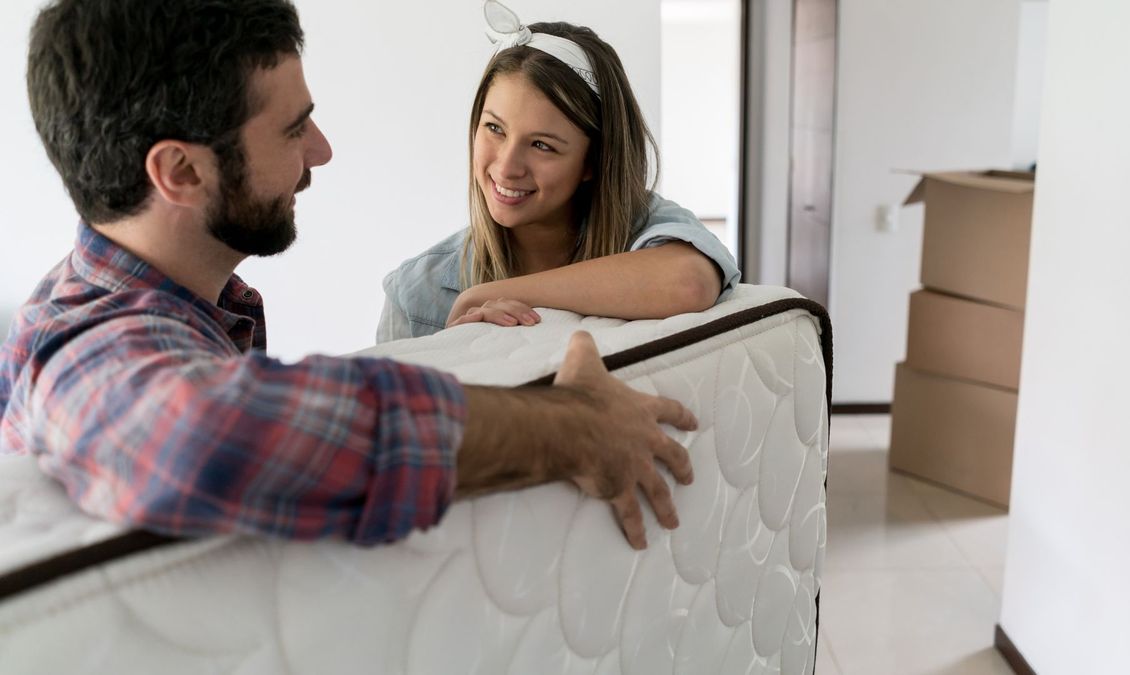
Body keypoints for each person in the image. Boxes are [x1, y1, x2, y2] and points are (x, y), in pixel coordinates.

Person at [0, 0, 696, 551]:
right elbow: (202, 438)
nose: (323, 150)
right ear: (181, 172)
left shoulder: (206, 311)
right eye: (293, 128)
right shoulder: (78, 344)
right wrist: (567, 428)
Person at [376, 0, 740, 341]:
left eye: (542, 145)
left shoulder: (648, 230)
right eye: (494, 128)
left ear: (592, 162)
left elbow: (689, 283)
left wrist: (488, 295)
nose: (506, 166)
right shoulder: (414, 294)